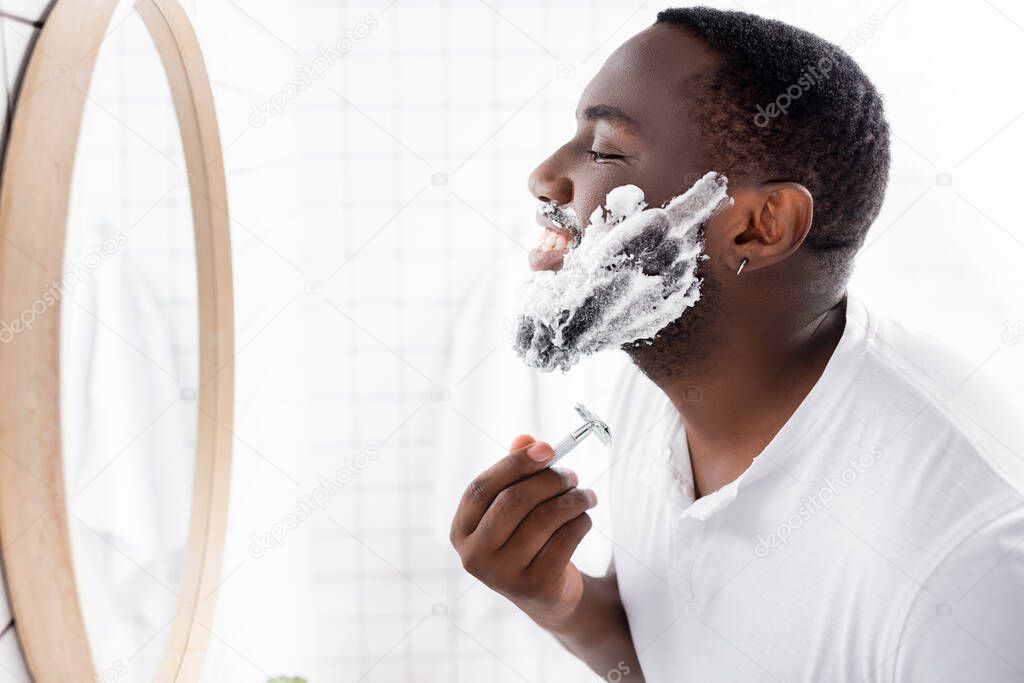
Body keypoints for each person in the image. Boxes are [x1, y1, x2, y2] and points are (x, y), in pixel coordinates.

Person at [449, 7, 1024, 681]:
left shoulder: (968, 568)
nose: (544, 177)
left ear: (757, 228)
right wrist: (558, 600)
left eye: (604, 148)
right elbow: (670, 656)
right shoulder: (660, 378)